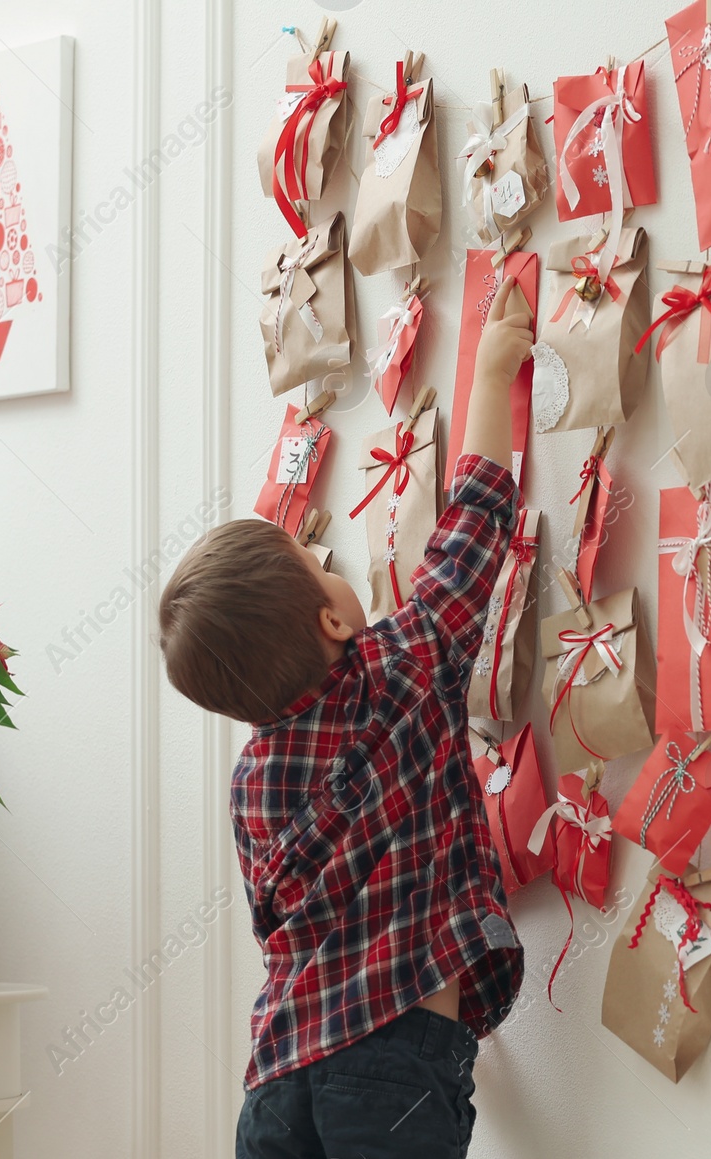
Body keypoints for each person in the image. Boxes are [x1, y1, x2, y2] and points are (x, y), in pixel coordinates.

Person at [159, 278, 534, 1159]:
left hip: (277, 1075)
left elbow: (276, 921)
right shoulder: (399, 673)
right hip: (393, 1068)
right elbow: (470, 533)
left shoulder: (252, 781)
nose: (330, 560)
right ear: (333, 619)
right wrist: (493, 373)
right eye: (315, 558)